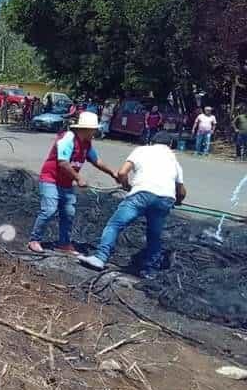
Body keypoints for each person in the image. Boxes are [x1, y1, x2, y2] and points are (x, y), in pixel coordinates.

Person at [78, 144, 187, 278]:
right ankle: (150, 270)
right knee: (154, 235)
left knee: (115, 225)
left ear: (152, 142)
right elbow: (181, 192)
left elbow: (122, 172)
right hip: (165, 199)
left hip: (141, 195)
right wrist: (177, 201)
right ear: (169, 146)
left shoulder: (141, 150)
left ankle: (100, 257)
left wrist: (126, 185)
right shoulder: (173, 161)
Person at [28, 112, 119, 255]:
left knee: (69, 213)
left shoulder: (86, 144)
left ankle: (63, 243)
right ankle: (35, 239)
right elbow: (63, 162)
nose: (95, 132)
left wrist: (113, 173)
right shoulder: (67, 139)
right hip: (51, 179)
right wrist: (78, 178)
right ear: (85, 129)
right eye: (93, 129)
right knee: (49, 210)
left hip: (65, 183)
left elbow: (97, 161)